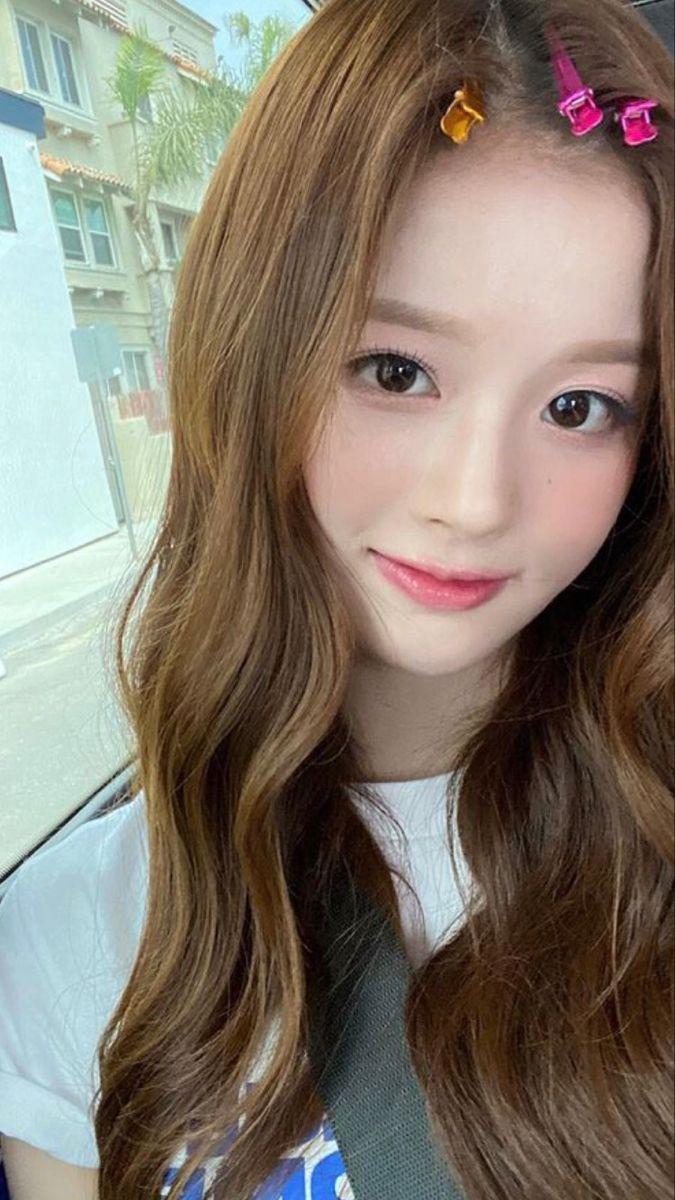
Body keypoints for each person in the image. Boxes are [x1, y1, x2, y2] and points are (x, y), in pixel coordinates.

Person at [0, 0, 672, 1196]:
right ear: (255, 357)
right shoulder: (75, 935)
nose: (475, 500)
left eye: (579, 407)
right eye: (396, 371)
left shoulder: (651, 830)